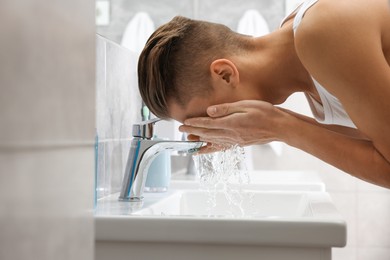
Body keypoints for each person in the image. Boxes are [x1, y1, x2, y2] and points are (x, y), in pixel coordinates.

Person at [137, 0, 390, 188]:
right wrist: (278, 124)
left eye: (206, 118)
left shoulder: (321, 32)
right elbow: (377, 143)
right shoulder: (306, 55)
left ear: (225, 73)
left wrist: (282, 127)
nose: (214, 130)